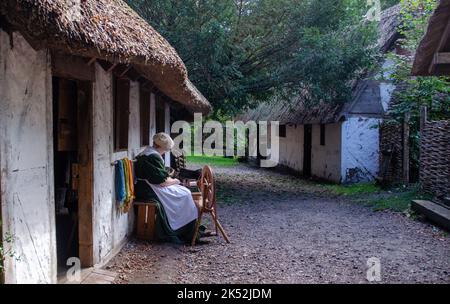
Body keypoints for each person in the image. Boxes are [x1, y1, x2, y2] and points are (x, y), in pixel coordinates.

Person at [134, 133, 201, 243]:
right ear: (159, 146)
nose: (165, 152)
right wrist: (176, 181)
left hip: (148, 186)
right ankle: (182, 230)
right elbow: (162, 182)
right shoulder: (153, 156)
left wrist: (169, 178)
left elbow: (157, 176)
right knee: (184, 194)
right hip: (148, 190)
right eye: (164, 149)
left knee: (183, 192)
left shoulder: (147, 152)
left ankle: (191, 229)